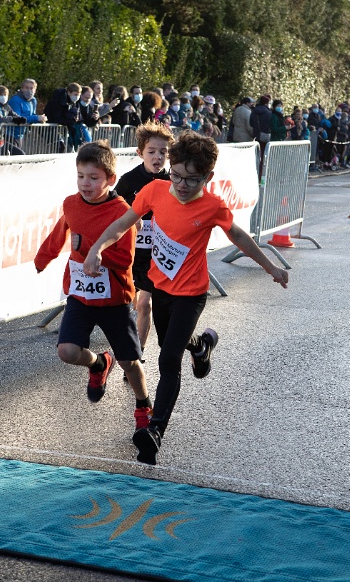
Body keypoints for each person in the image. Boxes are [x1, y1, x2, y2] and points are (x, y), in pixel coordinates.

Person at [83, 132, 289, 465]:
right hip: (161, 288)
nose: (180, 185)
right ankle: (202, 345)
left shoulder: (212, 206)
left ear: (208, 177)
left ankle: (155, 430)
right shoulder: (155, 190)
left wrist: (270, 267)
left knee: (168, 359)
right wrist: (96, 249)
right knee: (174, 343)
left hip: (191, 295)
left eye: (191, 180)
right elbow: (122, 224)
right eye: (176, 175)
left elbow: (238, 235)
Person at [34, 141, 153, 431]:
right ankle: (99, 363)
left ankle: (143, 405)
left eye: (93, 177)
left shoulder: (122, 211)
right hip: (80, 295)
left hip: (114, 299)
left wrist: (90, 250)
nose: (85, 183)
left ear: (110, 179)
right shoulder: (71, 204)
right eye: (80, 176)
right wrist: (43, 257)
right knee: (67, 351)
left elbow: (125, 259)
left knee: (129, 362)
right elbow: (61, 231)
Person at [113, 122, 173, 359]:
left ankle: (137, 355)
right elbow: (112, 206)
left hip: (155, 256)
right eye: (151, 152)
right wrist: (130, 215)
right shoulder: (129, 180)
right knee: (131, 303)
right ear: (140, 153)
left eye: (163, 152)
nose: (157, 157)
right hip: (130, 253)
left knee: (145, 304)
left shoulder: (172, 181)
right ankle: (129, 346)